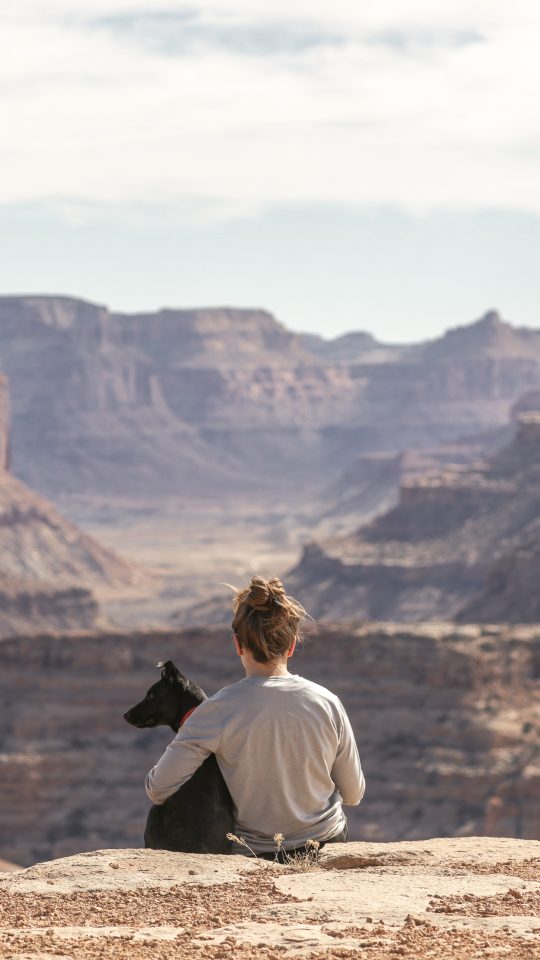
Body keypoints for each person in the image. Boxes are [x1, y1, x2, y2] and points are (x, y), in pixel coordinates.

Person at [145, 575, 365, 858]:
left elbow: (157, 789)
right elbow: (354, 794)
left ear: (238, 644)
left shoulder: (215, 711)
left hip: (258, 854)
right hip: (326, 844)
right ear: (291, 646)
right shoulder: (327, 702)